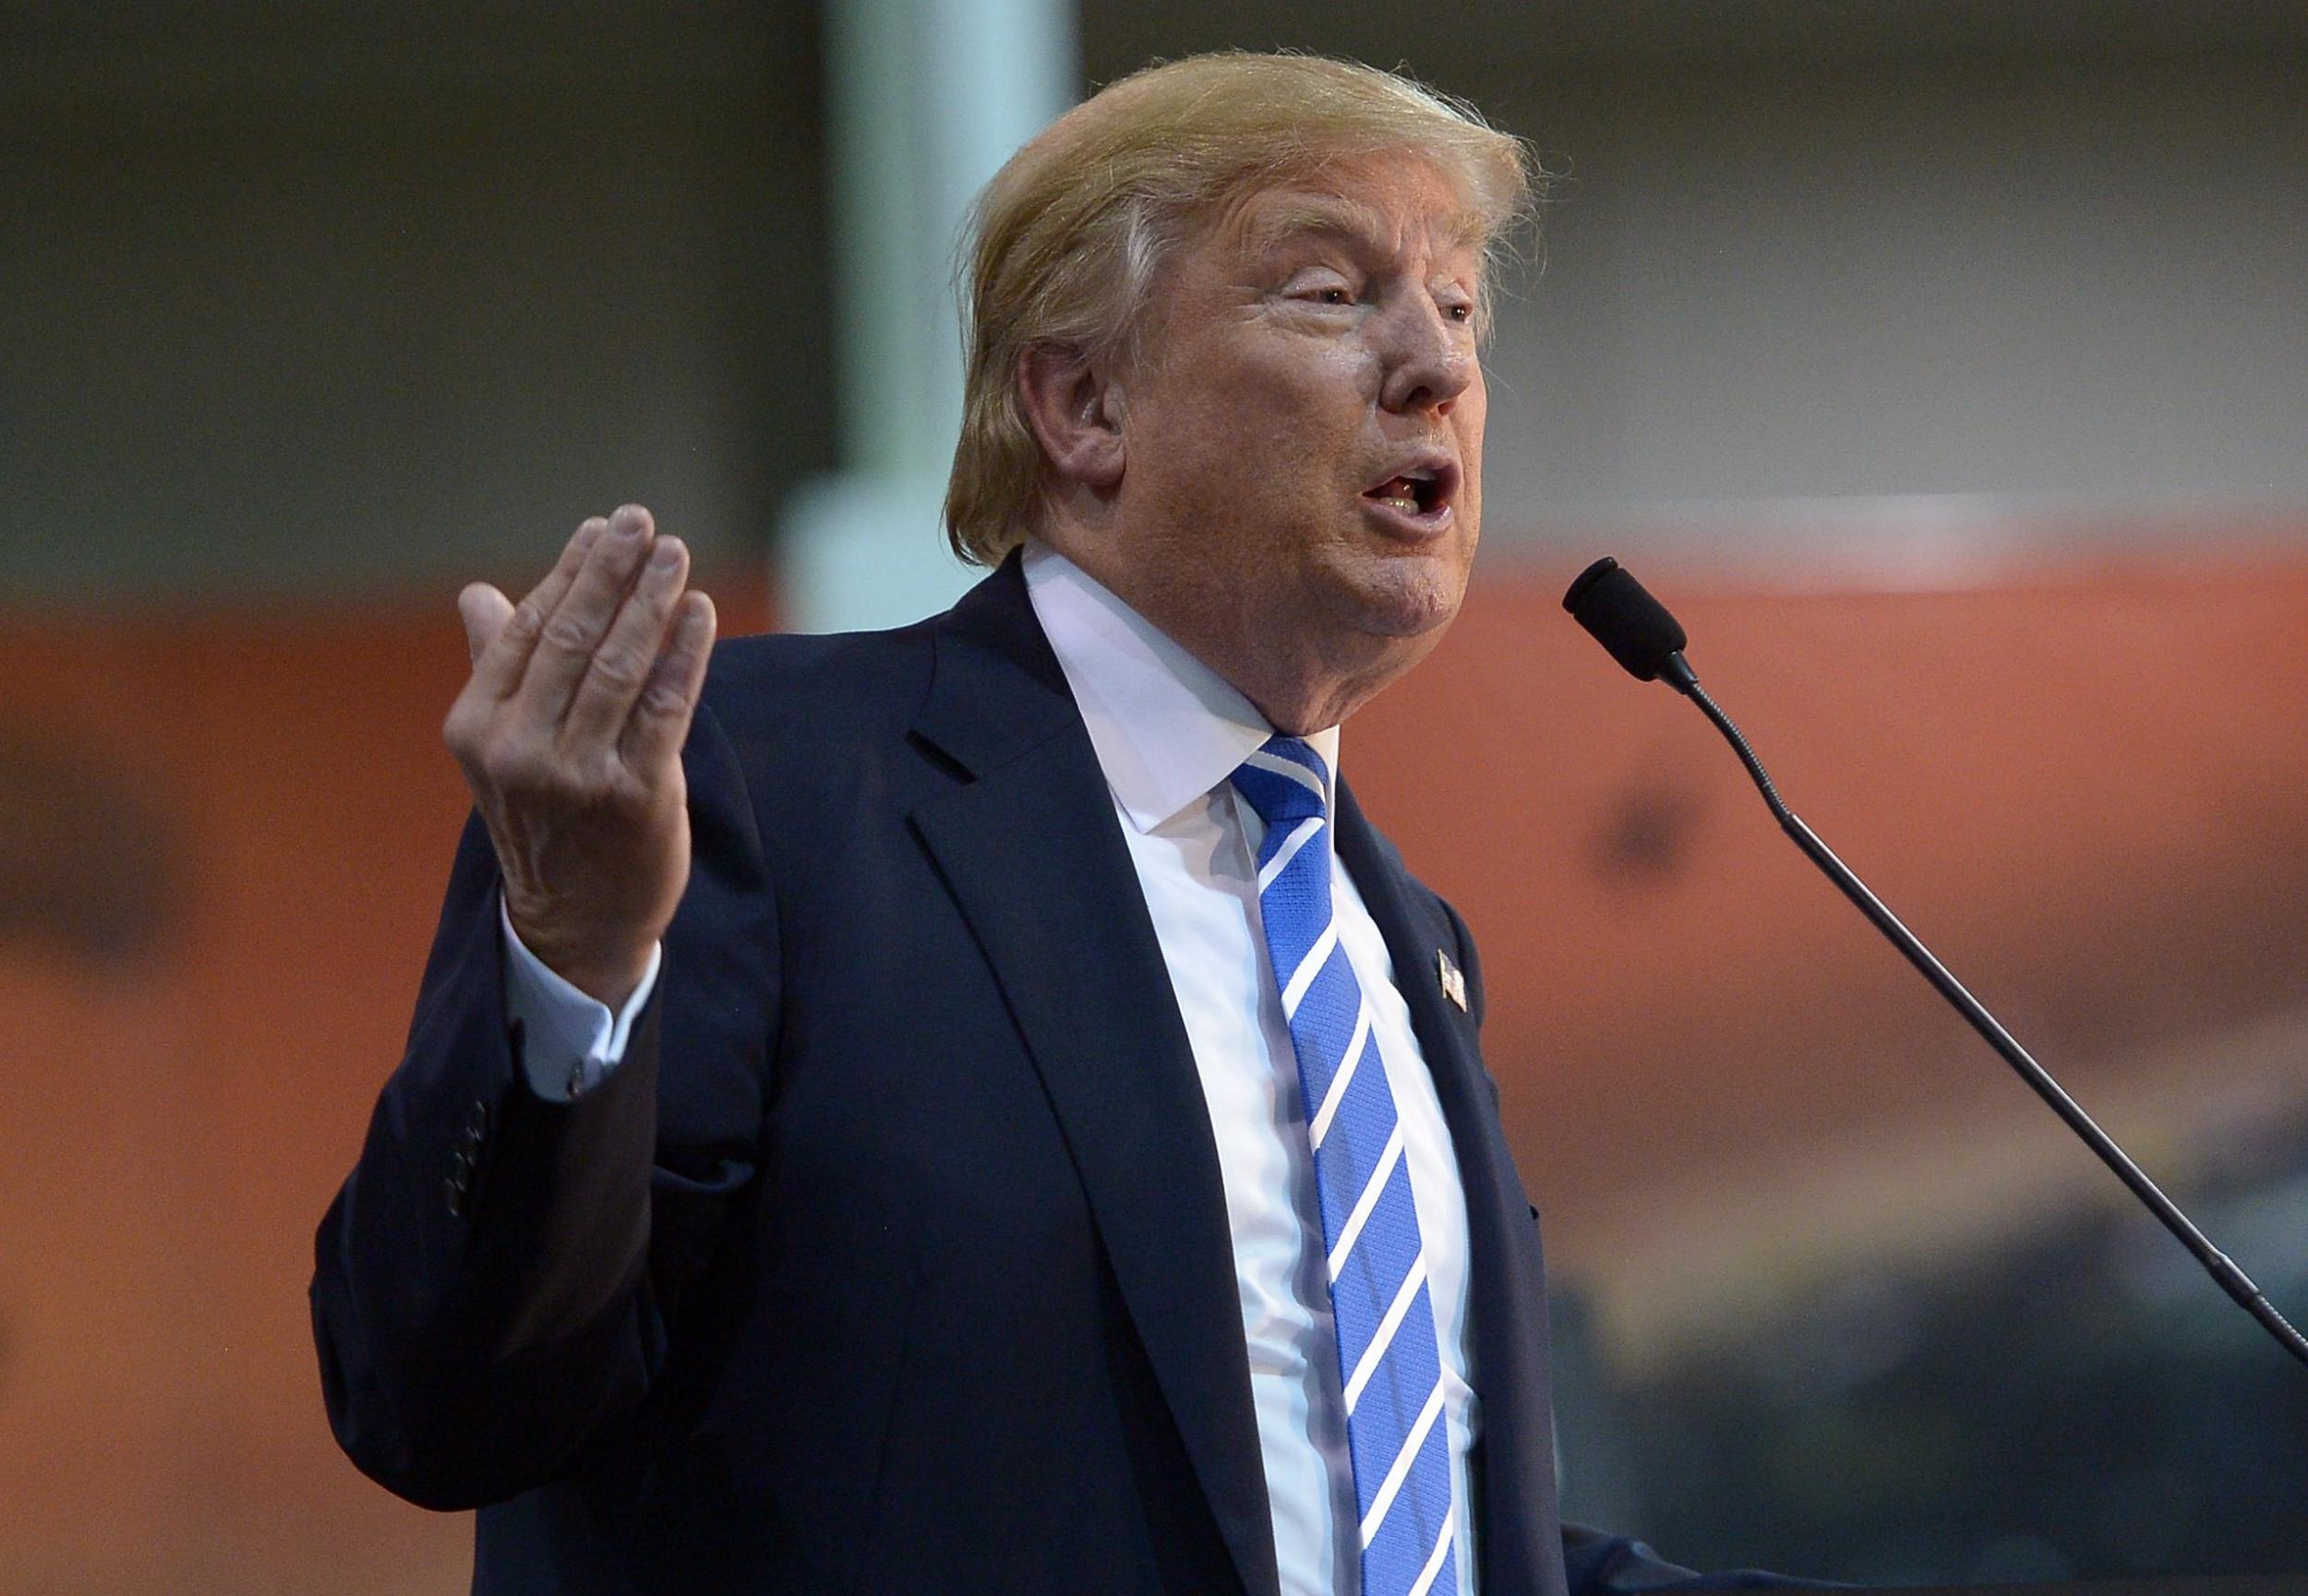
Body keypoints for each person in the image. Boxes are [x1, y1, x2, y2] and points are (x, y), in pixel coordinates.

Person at [314, 51, 1782, 1596]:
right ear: (1085, 405)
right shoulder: (760, 790)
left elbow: (1404, 1538)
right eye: (1332, 294)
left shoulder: (1400, 941)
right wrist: (569, 966)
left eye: (1463, 307)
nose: (1437, 367)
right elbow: (441, 1397)